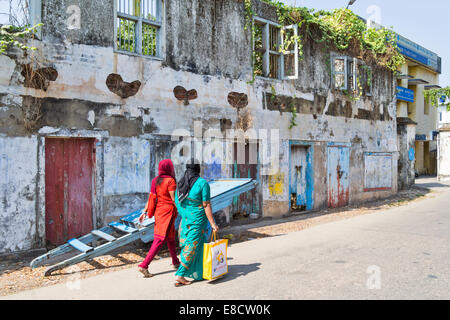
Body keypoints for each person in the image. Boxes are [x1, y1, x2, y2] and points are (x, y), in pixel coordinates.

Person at [173, 163, 219, 287]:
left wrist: (186, 214)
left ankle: (199, 273)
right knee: (192, 246)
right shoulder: (202, 183)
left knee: (192, 244)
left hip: (186, 220)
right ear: (198, 170)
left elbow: (177, 202)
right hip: (198, 220)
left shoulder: (181, 183)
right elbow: (206, 205)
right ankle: (180, 275)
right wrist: (213, 223)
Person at [137, 159, 180, 277]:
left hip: (159, 212)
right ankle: (144, 265)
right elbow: (173, 199)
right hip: (168, 212)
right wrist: (183, 211)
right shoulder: (170, 181)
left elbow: (151, 198)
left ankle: (175, 261)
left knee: (170, 236)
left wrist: (144, 212)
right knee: (160, 239)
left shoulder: (155, 180)